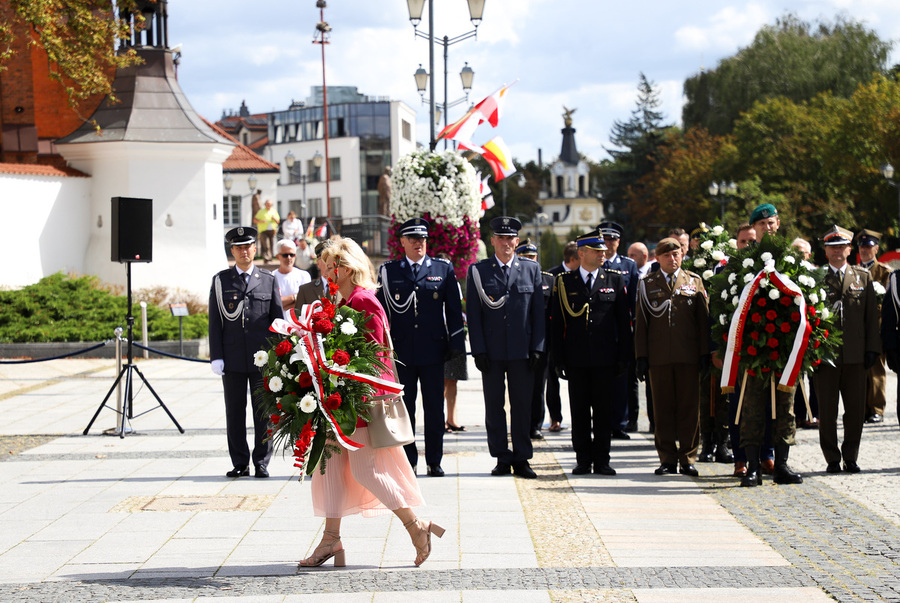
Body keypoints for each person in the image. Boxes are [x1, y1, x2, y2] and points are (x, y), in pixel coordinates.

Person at [300, 236, 444, 568]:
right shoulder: (343, 300)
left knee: (366, 472)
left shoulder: (363, 301)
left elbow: (375, 356)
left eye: (331, 267)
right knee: (331, 469)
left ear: (347, 269)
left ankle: (416, 527)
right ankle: (330, 541)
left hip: (359, 403)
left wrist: (339, 378)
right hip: (339, 400)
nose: (326, 273)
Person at [376, 218, 465, 477]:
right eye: (413, 239)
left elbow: (454, 310)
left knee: (435, 409)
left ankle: (434, 461)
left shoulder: (442, 268)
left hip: (434, 352)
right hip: (402, 354)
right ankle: (409, 461)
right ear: (402, 242)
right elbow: (380, 313)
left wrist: (456, 345)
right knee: (406, 410)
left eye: (422, 239)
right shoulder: (389, 271)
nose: (419, 243)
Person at [467, 216, 546, 479]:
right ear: (492, 241)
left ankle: (522, 458)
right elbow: (474, 315)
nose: (505, 243)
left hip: (522, 351)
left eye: (510, 238)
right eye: (500, 238)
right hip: (492, 351)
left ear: (516, 241)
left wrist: (537, 347)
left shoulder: (531, 269)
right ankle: (501, 456)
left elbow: (537, 312)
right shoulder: (479, 271)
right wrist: (478, 350)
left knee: (522, 406)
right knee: (494, 406)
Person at [550, 230, 631, 476]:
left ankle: (602, 460)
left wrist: (624, 356)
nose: (603, 254)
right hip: (576, 359)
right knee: (580, 411)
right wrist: (559, 359)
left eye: (604, 250)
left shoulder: (614, 279)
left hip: (605, 358)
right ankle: (583, 459)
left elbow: (623, 323)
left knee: (604, 412)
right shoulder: (565, 281)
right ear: (582, 253)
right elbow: (556, 323)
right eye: (598, 251)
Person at [736, 203, 802, 487]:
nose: (767, 227)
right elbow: (732, 303)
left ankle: (782, 465)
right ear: (755, 228)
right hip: (754, 348)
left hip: (785, 347)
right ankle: (753, 467)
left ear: (778, 224)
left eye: (771, 223)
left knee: (785, 407)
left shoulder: (791, 259)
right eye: (761, 225)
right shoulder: (744, 261)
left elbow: (804, 298)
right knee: (752, 407)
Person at [208, 226, 282, 479]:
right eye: (238, 247)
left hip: (263, 359)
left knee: (264, 413)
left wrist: (279, 357)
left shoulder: (269, 279)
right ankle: (240, 462)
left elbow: (277, 322)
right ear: (232, 251)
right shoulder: (221, 281)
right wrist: (216, 355)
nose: (243, 251)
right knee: (235, 411)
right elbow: (215, 321)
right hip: (233, 358)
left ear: (254, 249)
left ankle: (261, 461)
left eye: (247, 246)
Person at [635, 237, 709, 477]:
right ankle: (667, 458)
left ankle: (688, 457)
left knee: (689, 409)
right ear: (658, 258)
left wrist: (705, 353)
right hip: (659, 358)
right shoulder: (647, 284)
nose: (672, 258)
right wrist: (641, 357)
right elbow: (641, 324)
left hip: (688, 356)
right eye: (667, 255)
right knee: (662, 410)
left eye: (676, 254)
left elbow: (703, 323)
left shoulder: (694, 282)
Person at [815, 226, 880, 474]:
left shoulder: (862, 277)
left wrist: (872, 349)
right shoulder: (817, 279)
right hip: (826, 357)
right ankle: (832, 458)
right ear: (826, 250)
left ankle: (851, 456)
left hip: (855, 355)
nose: (837, 251)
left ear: (849, 249)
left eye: (841, 246)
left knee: (854, 411)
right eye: (832, 247)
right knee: (828, 412)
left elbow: (870, 317)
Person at [598, 221, 638, 438]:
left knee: (621, 379)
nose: (608, 243)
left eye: (612, 239)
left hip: (621, 329)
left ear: (619, 242)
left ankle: (619, 423)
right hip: (599, 330)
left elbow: (632, 298)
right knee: (600, 380)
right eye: (604, 239)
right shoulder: (595, 263)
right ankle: (601, 422)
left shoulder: (628, 265)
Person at [515, 239, 554, 440]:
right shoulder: (513, 277)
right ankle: (520, 423)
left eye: (532, 257)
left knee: (539, 386)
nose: (530, 260)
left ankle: (535, 424)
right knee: (520, 387)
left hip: (541, 341)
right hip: (520, 340)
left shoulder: (548, 280)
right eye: (525, 256)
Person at [856, 229, 891, 424]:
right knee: (859, 372)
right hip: (857, 330)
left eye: (868, 247)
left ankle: (877, 408)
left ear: (876, 248)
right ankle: (862, 409)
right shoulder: (853, 270)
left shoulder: (884, 272)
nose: (864, 250)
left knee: (876, 370)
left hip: (876, 329)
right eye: (862, 247)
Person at [545, 241, 579, 433]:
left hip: (573, 337)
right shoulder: (552, 275)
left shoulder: (579, 275)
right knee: (552, 378)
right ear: (572, 259)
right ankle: (555, 418)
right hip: (554, 335)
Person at [790, 237, 820, 430]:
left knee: (815, 375)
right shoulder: (786, 274)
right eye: (795, 253)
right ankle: (799, 414)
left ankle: (814, 414)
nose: (799, 257)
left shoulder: (817, 273)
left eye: (803, 253)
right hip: (793, 330)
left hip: (813, 329)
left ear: (809, 255)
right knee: (796, 374)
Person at [272, 239, 311, 318]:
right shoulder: (271, 277)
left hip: (299, 325)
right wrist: (294, 297)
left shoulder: (304, 275)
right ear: (278, 257)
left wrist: (283, 304)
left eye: (292, 255)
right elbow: (272, 305)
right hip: (278, 324)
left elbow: (305, 303)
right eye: (285, 255)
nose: (289, 258)